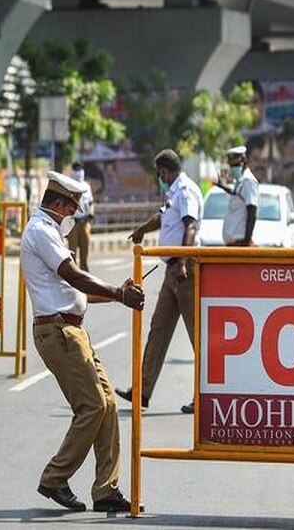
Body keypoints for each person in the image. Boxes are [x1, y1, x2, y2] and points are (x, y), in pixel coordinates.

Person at [20, 171, 145, 513]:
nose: (72, 217)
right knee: (92, 406)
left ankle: (106, 489)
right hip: (59, 333)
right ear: (59, 204)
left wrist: (118, 295)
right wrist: (119, 293)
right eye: (71, 210)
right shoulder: (41, 232)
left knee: (106, 405)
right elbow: (73, 276)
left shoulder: (51, 233)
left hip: (72, 331)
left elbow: (75, 290)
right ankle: (55, 478)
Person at [115, 149, 203, 414]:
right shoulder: (173, 191)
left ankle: (205, 396)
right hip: (172, 270)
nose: (160, 178)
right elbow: (163, 218)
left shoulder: (186, 190)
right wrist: (142, 229)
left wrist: (184, 262)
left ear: (166, 171)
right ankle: (142, 390)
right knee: (158, 329)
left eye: (160, 174)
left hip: (185, 270)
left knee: (197, 335)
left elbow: (191, 226)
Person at [213, 145, 259, 246]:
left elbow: (252, 210)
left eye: (235, 165)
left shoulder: (248, 181)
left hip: (240, 244)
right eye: (231, 166)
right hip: (234, 244)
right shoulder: (241, 181)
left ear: (244, 161)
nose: (232, 168)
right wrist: (224, 186)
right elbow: (236, 194)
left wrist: (246, 242)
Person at [66, 162, 94, 271]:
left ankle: (85, 276)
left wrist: (91, 213)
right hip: (72, 222)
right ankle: (73, 277)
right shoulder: (68, 185)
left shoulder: (86, 186)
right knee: (72, 253)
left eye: (80, 169)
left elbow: (91, 202)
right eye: (76, 169)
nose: (78, 172)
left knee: (85, 251)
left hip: (85, 221)